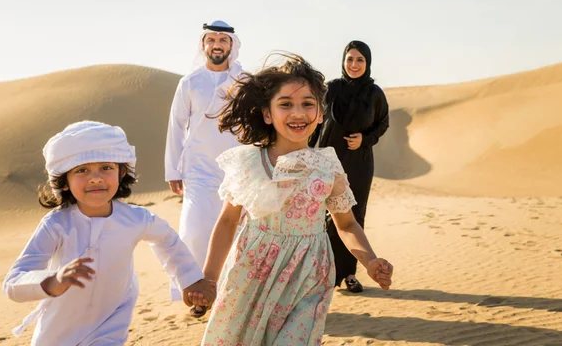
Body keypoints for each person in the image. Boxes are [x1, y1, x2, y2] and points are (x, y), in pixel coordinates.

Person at [189, 54, 393, 345]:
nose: (298, 112)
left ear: (321, 113)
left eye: (307, 104)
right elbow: (227, 221)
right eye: (286, 104)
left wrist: (370, 260)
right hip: (251, 271)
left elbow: (346, 224)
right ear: (268, 114)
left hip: (309, 275)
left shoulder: (328, 166)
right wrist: (209, 278)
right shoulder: (247, 162)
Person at [3, 121, 215, 345]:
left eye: (106, 167)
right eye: (82, 170)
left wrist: (190, 280)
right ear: (64, 181)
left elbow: (167, 240)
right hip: (57, 334)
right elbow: (13, 282)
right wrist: (52, 281)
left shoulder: (136, 218)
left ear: (122, 172)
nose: (95, 178)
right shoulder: (56, 225)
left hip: (110, 327)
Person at [164, 20, 243, 314]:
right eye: (212, 40)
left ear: (232, 46)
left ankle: (231, 296)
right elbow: (176, 126)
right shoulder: (190, 82)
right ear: (204, 45)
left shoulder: (244, 79)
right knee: (195, 230)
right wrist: (173, 169)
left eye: (223, 40)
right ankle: (197, 291)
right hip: (198, 169)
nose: (217, 44)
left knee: (236, 234)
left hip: (235, 169)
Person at [311, 40, 389, 293]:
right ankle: (324, 274)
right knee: (324, 219)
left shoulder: (374, 93)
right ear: (343, 61)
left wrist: (365, 139)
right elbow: (315, 119)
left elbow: (382, 124)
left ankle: (348, 274)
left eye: (360, 60)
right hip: (326, 159)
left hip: (358, 162)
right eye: (350, 59)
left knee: (353, 217)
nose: (354, 65)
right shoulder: (331, 88)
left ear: (367, 63)